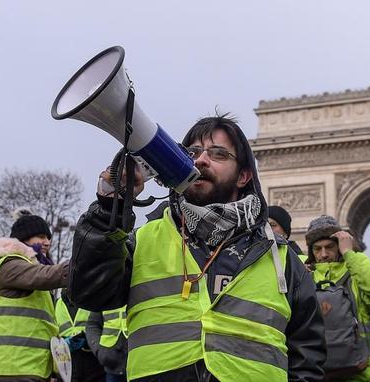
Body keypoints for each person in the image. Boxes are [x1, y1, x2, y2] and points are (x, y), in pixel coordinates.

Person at [68, 115, 326, 381]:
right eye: (191, 152)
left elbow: (306, 353)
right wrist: (110, 209)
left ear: (244, 176)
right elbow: (89, 293)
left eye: (219, 154)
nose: (201, 160)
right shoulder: (141, 240)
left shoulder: (283, 258)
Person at [0, 212, 68, 381]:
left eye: (48, 237)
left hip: (24, 365)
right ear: (23, 239)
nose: (47, 242)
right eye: (41, 237)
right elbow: (47, 275)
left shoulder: (22, 266)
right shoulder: (10, 264)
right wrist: (84, 262)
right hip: (13, 366)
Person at [305, 215, 370, 381]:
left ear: (339, 246)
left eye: (329, 247)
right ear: (311, 251)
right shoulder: (304, 277)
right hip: (317, 374)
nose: (323, 254)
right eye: (317, 248)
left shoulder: (356, 274)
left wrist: (350, 253)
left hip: (361, 374)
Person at [55, 289, 105, 381]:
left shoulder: (93, 301)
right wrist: (63, 343)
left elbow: (106, 329)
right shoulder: (56, 304)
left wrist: (88, 341)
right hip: (67, 367)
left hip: (93, 363)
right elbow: (53, 337)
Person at [86, 307, 128, 382]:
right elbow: (92, 324)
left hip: (141, 364)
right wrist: (100, 350)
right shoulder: (104, 295)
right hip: (112, 366)